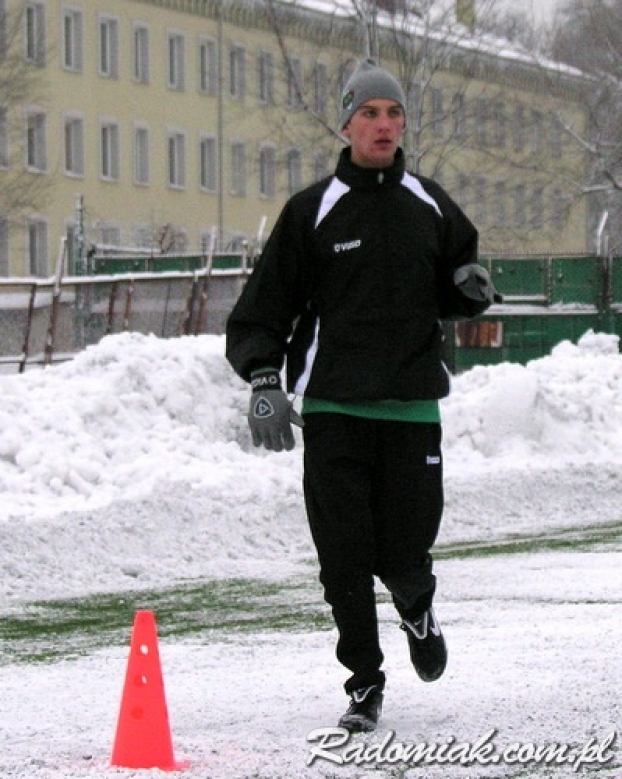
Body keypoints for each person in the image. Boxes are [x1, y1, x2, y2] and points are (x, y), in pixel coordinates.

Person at [226, 59, 500, 733]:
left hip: (411, 409)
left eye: (394, 113)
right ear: (346, 122)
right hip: (333, 410)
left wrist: (468, 285)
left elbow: (459, 270)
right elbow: (264, 307)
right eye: (370, 113)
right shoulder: (310, 212)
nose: (383, 124)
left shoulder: (430, 204)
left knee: (405, 553)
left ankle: (416, 601)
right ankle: (364, 682)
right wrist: (264, 377)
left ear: (403, 124)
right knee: (344, 556)